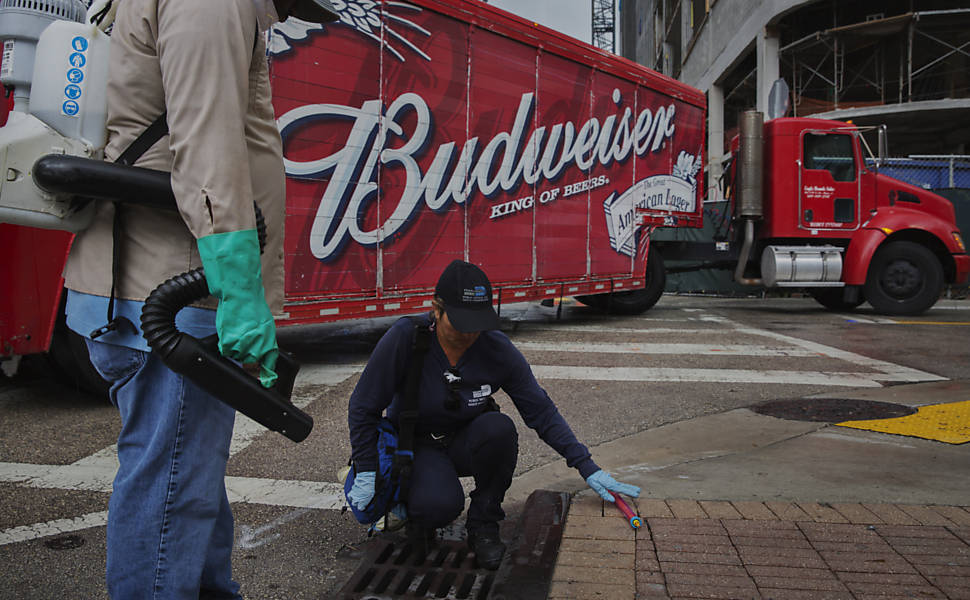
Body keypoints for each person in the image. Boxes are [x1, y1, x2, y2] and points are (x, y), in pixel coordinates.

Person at [62, 0, 337, 597]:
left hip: (130, 284)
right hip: (170, 292)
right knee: (171, 492)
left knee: (186, 477)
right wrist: (239, 290)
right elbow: (208, 147)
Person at [347, 260, 641, 570]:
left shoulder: (495, 348)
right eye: (460, 323)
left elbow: (539, 410)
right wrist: (366, 469)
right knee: (438, 506)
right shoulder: (407, 338)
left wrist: (586, 465)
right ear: (437, 308)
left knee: (499, 429)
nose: (469, 334)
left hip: (465, 440)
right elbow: (363, 407)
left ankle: (484, 523)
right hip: (416, 447)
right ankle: (414, 510)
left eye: (477, 323)